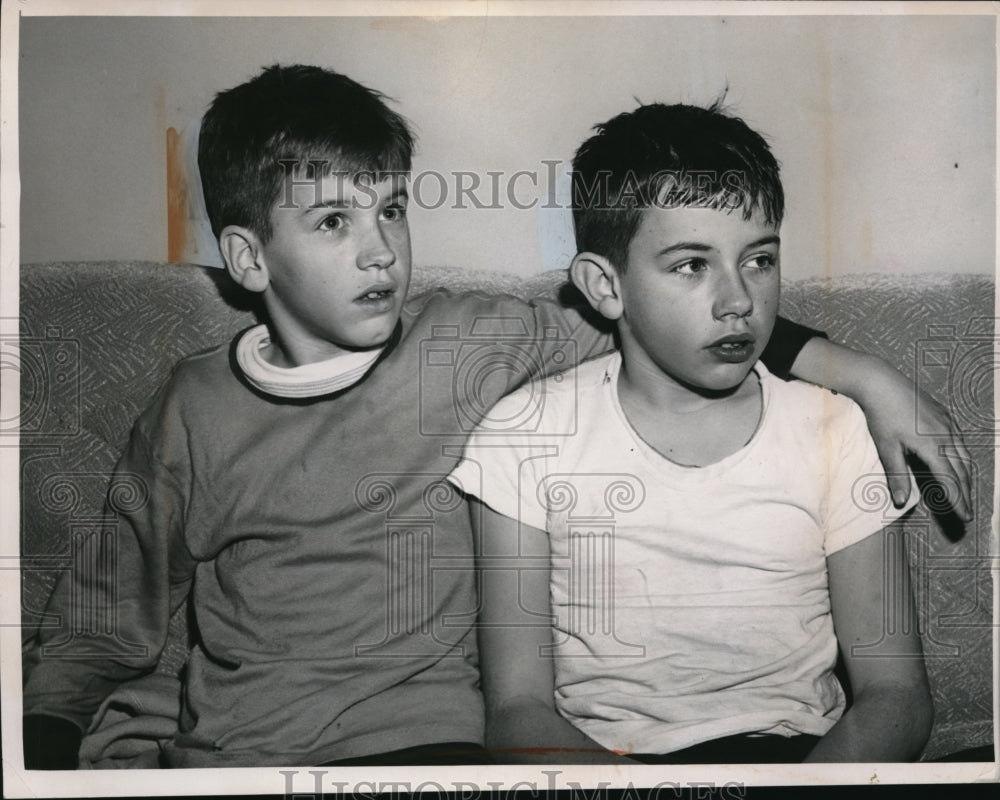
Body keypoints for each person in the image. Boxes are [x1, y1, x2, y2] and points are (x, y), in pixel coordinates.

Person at [21, 66, 956, 769]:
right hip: (238, 753)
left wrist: (866, 373)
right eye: (334, 224)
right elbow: (107, 606)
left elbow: (661, 322)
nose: (382, 250)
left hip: (433, 750)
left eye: (390, 210)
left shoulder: (474, 345)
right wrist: (44, 744)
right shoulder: (191, 408)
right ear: (249, 258)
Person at [448, 101, 935, 764]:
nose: (738, 300)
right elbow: (516, 712)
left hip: (804, 762)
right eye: (691, 265)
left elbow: (896, 694)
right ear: (604, 286)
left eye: (759, 260)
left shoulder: (835, 426)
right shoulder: (524, 435)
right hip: (607, 769)